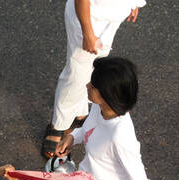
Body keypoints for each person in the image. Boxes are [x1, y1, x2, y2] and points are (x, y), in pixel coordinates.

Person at [55, 56, 166, 180]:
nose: (88, 85)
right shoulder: (100, 108)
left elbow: (137, 176)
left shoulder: (120, 136)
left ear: (107, 94)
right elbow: (89, 129)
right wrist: (72, 137)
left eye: (94, 85)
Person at [44, 1, 147, 158]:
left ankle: (80, 113)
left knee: (95, 68)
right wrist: (88, 33)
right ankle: (58, 125)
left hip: (110, 16)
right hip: (90, 19)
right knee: (76, 76)